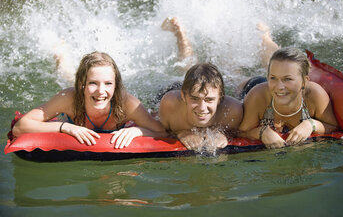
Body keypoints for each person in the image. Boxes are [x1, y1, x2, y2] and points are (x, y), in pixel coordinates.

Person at [12, 51, 167, 148]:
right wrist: (65, 127)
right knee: (65, 77)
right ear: (82, 84)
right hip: (77, 97)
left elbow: (163, 132)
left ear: (115, 85)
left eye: (108, 84)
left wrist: (137, 131)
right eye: (93, 83)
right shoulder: (67, 99)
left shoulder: (128, 104)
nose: (101, 91)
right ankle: (60, 55)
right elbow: (20, 127)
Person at [239, 45, 339, 149]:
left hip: (275, 86)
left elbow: (332, 127)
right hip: (255, 84)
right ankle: (265, 37)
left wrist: (311, 125)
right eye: (272, 77)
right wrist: (262, 132)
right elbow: (241, 132)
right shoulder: (257, 96)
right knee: (239, 75)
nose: (279, 86)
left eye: (288, 79)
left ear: (304, 82)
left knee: (278, 70)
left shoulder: (315, 95)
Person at [158, 62, 243, 151]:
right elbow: (160, 131)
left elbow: (242, 133)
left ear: (220, 97)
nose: (202, 108)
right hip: (175, 89)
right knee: (183, 64)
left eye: (209, 100)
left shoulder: (234, 111)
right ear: (183, 96)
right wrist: (181, 133)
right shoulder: (170, 105)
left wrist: (224, 134)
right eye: (195, 99)